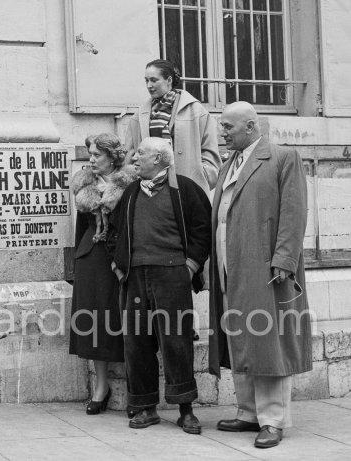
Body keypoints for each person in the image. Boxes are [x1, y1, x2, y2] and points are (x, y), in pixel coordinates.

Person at [209, 101, 312, 449]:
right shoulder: (228, 164)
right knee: (241, 334)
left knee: (269, 341)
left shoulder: (283, 158)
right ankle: (248, 412)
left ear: (250, 127)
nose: (222, 133)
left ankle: (273, 420)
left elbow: (294, 212)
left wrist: (285, 258)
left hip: (266, 266)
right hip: (230, 265)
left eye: (227, 127)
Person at [112, 137, 211, 433]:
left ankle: (185, 409)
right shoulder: (130, 192)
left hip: (172, 276)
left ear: (158, 159)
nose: (134, 157)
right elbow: (116, 233)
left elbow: (202, 230)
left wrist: (190, 266)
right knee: (137, 343)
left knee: (176, 342)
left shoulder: (185, 189)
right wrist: (119, 267)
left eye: (141, 153)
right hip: (135, 278)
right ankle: (145, 408)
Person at [69, 133, 136, 414]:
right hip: (92, 260)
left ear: (113, 157)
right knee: (95, 322)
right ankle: (101, 386)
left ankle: (137, 388)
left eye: (97, 155)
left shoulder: (129, 183)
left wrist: (125, 261)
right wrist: (77, 261)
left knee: (127, 322)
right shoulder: (85, 183)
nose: (92, 159)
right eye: (90, 154)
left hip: (121, 259)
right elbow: (81, 229)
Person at [124, 59, 220, 194]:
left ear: (169, 80)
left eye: (153, 80)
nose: (149, 85)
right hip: (150, 190)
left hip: (189, 189)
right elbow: (130, 155)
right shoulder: (139, 115)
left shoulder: (196, 111)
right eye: (146, 80)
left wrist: (202, 177)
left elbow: (210, 151)